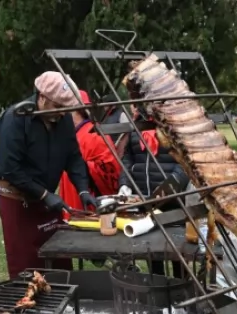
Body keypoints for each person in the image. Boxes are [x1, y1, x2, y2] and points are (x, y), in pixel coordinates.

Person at [0, 71, 98, 279]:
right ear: (42, 96)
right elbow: (9, 167)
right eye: (58, 107)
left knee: (59, 257)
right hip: (18, 200)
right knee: (27, 265)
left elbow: (73, 157)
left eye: (65, 108)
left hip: (46, 200)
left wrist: (83, 189)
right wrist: (44, 195)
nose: (62, 113)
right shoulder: (16, 117)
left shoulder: (64, 120)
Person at [118, 105, 190, 277]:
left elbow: (185, 162)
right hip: (144, 200)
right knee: (151, 250)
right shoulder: (135, 127)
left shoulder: (174, 125)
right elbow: (128, 158)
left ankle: (181, 289)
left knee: (177, 250)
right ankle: (158, 287)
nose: (135, 107)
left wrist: (171, 185)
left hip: (173, 201)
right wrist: (125, 183)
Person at [59, 89, 120, 216]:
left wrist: (84, 168)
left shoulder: (94, 134)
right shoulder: (71, 134)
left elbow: (111, 170)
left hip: (88, 202)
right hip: (71, 197)